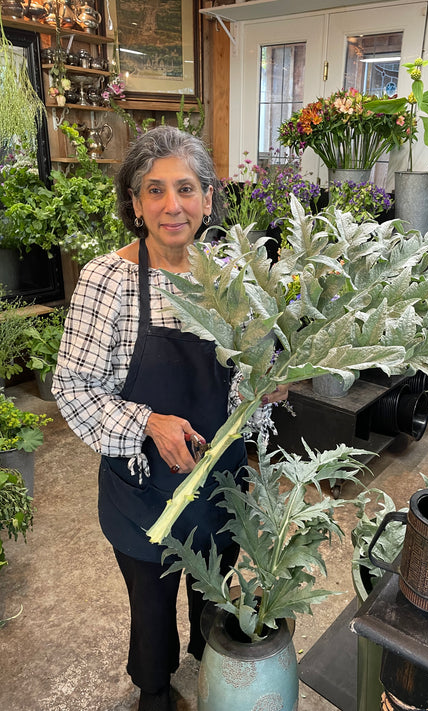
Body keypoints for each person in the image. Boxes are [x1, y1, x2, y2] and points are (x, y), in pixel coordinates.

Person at [52, 126, 287, 711]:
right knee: (151, 612)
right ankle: (154, 692)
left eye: (185, 188)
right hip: (143, 496)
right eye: (153, 191)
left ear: (209, 198)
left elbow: (251, 384)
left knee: (212, 600)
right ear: (134, 205)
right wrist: (146, 424)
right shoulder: (105, 282)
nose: (171, 205)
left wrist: (266, 392)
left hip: (220, 490)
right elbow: (74, 390)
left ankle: (209, 676)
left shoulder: (234, 280)